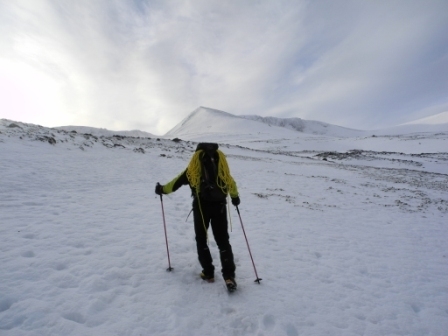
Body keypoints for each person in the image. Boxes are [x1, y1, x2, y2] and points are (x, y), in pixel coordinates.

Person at [155, 142, 240, 291]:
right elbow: (230, 181)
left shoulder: (193, 168)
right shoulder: (221, 166)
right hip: (219, 207)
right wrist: (235, 197)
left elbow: (176, 183)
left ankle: (208, 273)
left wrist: (162, 189)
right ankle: (229, 276)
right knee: (223, 241)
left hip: (201, 207)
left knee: (201, 239)